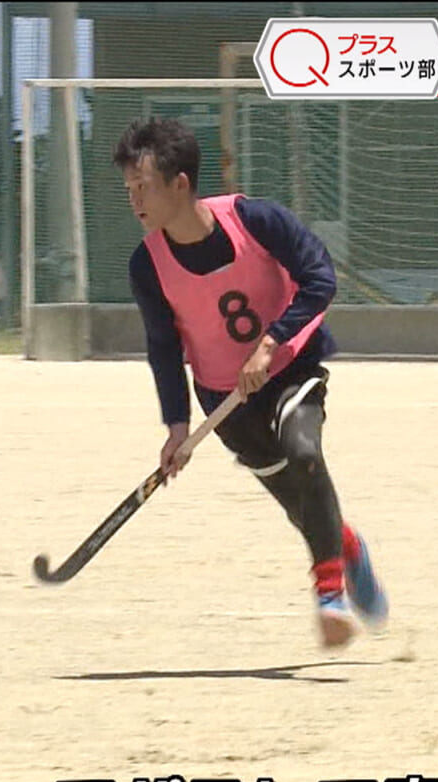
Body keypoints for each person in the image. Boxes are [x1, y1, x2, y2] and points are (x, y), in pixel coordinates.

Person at [112, 116, 387, 649]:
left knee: (304, 452)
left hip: (290, 370)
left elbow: (319, 278)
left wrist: (271, 342)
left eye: (143, 187)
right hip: (223, 399)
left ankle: (329, 596)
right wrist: (175, 427)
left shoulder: (256, 220)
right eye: (129, 189)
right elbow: (164, 348)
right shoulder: (147, 265)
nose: (135, 200)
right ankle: (347, 547)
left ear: (180, 183)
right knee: (300, 505)